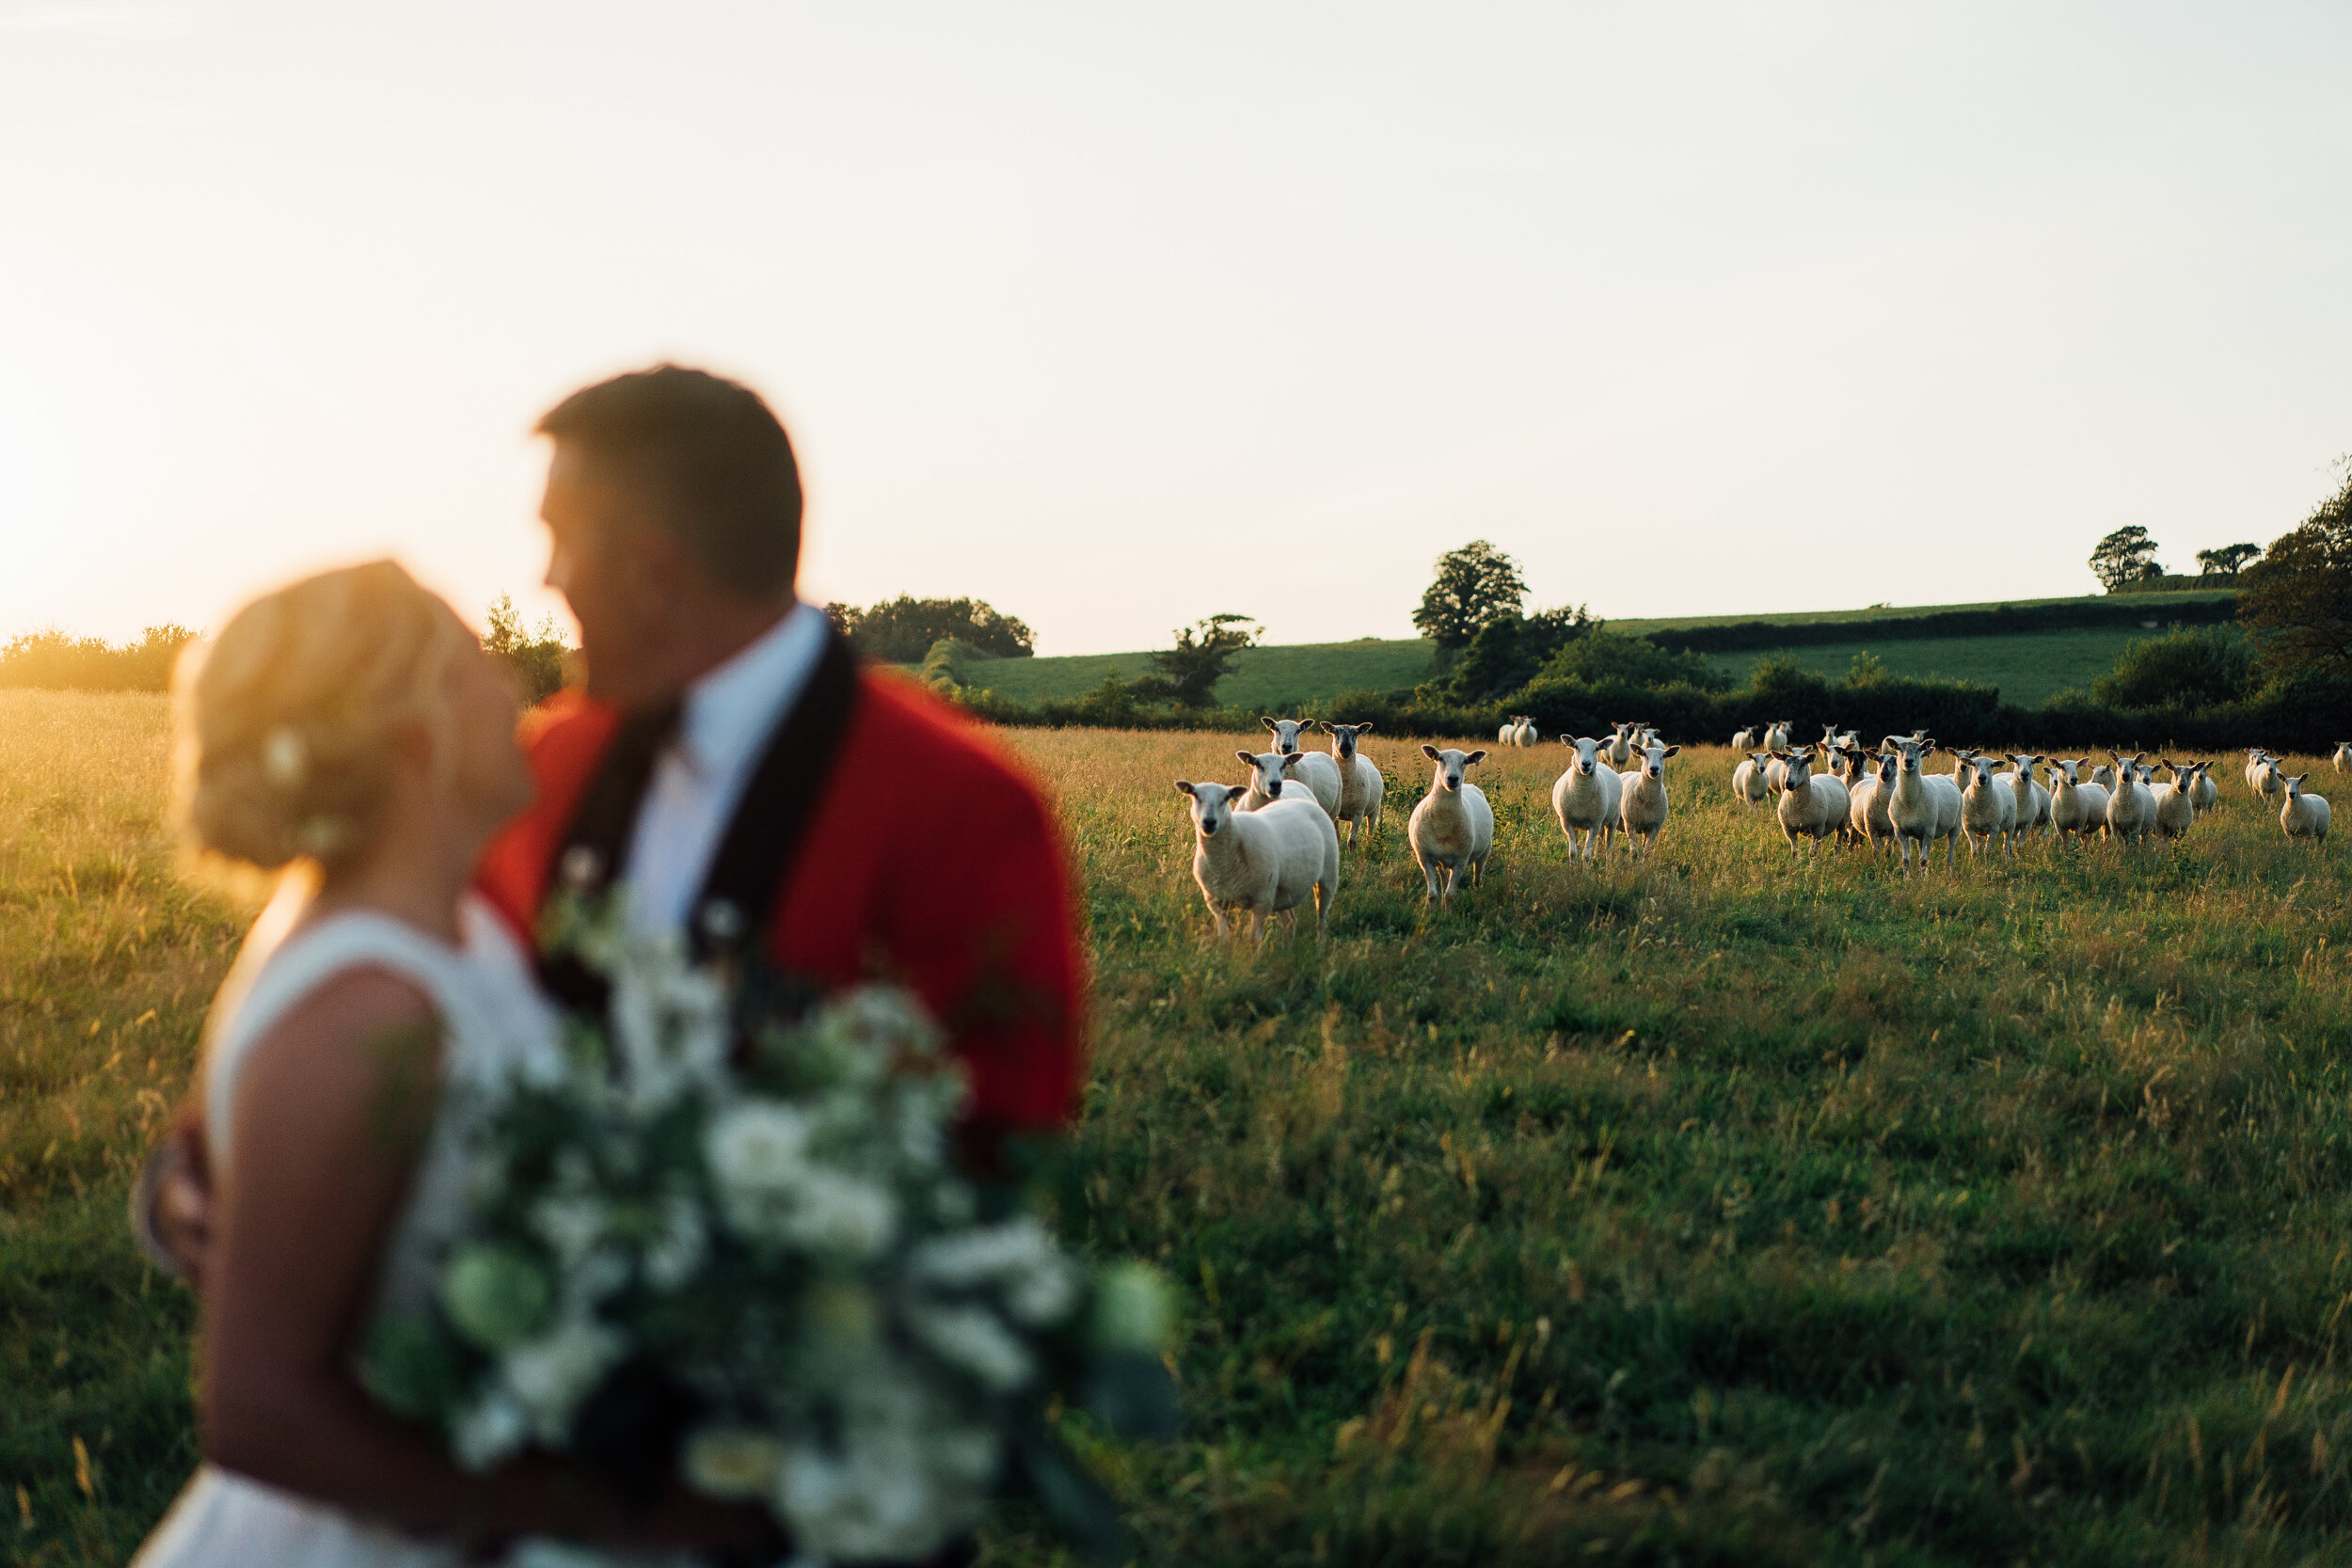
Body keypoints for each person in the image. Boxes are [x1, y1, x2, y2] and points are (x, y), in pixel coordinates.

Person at [136, 366, 1086, 1562]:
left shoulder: (963, 809)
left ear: (647, 561)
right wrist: (202, 1164)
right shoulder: (540, 769)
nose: (543, 579)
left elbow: (987, 1177)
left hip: (802, 1496)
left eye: (558, 539)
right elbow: (371, 993)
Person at [133, 562, 773, 1565]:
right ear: (414, 727)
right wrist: (615, 1510)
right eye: (478, 661)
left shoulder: (461, 929)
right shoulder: (367, 1008)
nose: (514, 685)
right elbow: (258, 1412)